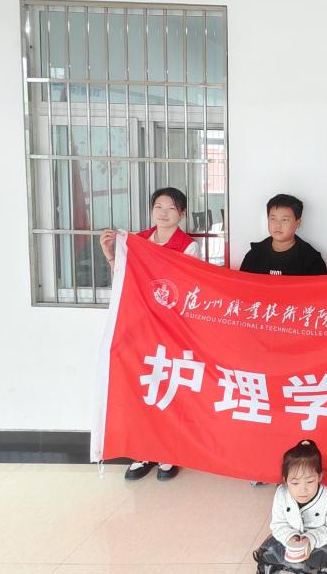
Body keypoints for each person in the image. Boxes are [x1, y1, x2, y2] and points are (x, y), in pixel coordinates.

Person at [99, 186, 199, 482]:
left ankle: (168, 453)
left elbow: (187, 286)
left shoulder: (188, 246)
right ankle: (143, 452)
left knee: (168, 387)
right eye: (158, 207)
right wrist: (111, 255)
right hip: (139, 326)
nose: (163, 213)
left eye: (171, 208)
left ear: (182, 213)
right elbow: (124, 279)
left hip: (171, 328)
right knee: (141, 387)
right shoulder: (137, 241)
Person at [252, 440, 327, 574]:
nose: (303, 489)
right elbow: (278, 525)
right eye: (295, 483)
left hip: (319, 542)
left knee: (323, 560)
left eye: (310, 481)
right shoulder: (281, 494)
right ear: (285, 480)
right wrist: (290, 538)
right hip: (291, 541)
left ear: (320, 477)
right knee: (269, 552)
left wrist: (311, 538)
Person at [240, 193, 327, 276]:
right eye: (273, 219)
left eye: (285, 220)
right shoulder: (254, 254)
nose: (278, 225)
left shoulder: (311, 259)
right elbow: (242, 284)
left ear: (298, 223)